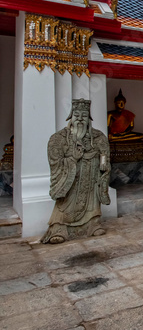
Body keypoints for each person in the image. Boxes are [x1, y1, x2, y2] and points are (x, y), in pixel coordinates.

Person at [41, 99, 110, 243]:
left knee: (92, 202)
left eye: (84, 116)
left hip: (91, 178)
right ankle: (59, 229)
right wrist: (72, 159)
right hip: (71, 179)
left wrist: (103, 163)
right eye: (77, 115)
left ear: (88, 119)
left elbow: (104, 153)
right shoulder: (59, 138)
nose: (80, 119)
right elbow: (55, 160)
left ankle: (93, 225)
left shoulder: (98, 137)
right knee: (65, 204)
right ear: (71, 117)